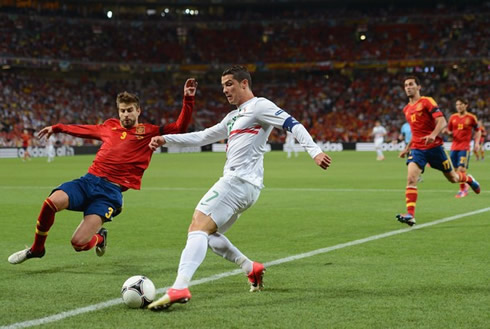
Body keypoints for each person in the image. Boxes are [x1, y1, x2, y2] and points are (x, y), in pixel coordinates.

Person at [147, 65, 331, 310]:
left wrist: (315, 151)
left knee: (197, 225)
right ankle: (250, 267)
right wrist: (167, 139)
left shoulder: (260, 106)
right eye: (223, 85)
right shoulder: (233, 116)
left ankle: (180, 286)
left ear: (245, 83)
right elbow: (203, 136)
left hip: (238, 181)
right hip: (246, 188)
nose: (225, 89)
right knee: (209, 235)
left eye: (230, 83)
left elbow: (292, 123)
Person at [7, 79, 197, 265]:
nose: (126, 115)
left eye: (130, 110)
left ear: (138, 111)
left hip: (109, 194)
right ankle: (37, 249)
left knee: (78, 243)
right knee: (50, 203)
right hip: (88, 182)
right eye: (122, 111)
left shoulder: (149, 131)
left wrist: (188, 99)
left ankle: (100, 239)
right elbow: (84, 130)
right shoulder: (110, 126)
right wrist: (58, 128)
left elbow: (179, 127)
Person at [396, 76, 480, 227]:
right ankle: (410, 215)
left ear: (418, 87)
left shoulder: (427, 101)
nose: (408, 87)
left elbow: (442, 121)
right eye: (405, 85)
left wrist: (433, 135)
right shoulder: (406, 109)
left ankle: (469, 180)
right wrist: (407, 148)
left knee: (453, 178)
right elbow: (415, 132)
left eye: (411, 84)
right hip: (417, 149)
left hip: (434, 148)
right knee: (411, 179)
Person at [446, 98, 481, 198]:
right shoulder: (452, 117)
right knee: (454, 173)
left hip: (464, 147)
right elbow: (449, 131)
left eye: (461, 104)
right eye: (457, 105)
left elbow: (478, 131)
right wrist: (447, 133)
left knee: (461, 169)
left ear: (466, 105)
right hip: (454, 147)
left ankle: (463, 190)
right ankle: (469, 180)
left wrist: (477, 143)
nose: (458, 106)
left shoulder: (471, 117)